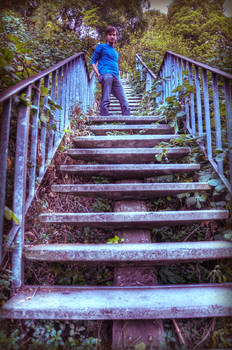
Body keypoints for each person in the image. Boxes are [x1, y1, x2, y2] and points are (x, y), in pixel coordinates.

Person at [91, 26, 130, 116]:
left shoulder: (115, 52)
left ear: (116, 37)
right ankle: (104, 116)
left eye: (114, 35)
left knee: (124, 101)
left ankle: (128, 121)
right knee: (106, 98)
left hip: (115, 77)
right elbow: (93, 62)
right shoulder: (101, 47)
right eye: (110, 35)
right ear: (106, 36)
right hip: (105, 75)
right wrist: (98, 74)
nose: (112, 37)